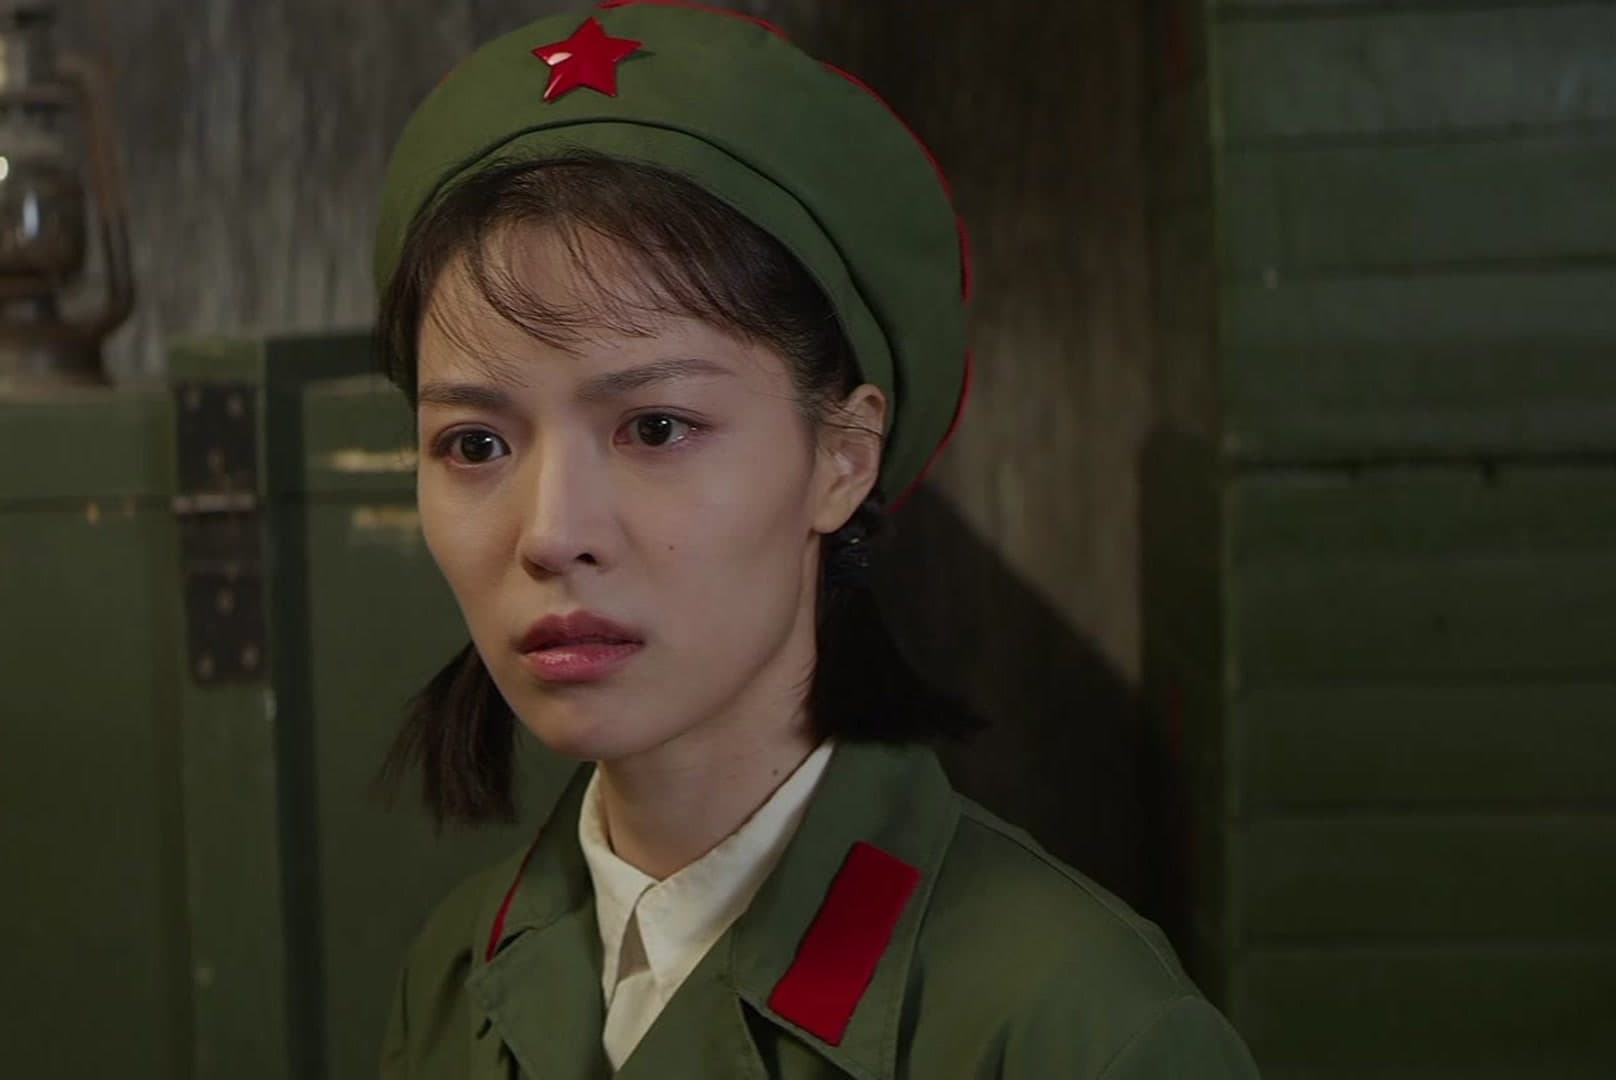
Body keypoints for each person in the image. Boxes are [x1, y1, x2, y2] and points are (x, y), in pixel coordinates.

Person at [370, 3, 1259, 1076]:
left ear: (843, 456)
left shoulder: (1078, 1032)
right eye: (474, 444)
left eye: (656, 429)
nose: (553, 534)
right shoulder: (457, 975)